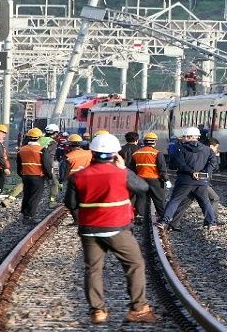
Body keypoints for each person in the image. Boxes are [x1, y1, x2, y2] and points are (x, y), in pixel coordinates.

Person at [64, 133, 158, 325]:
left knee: (93, 269)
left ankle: (97, 311)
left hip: (89, 230)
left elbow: (70, 203)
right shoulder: (121, 173)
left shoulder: (78, 177)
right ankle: (138, 308)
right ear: (116, 154)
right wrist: (124, 168)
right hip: (117, 228)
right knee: (135, 264)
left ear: (93, 153)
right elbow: (142, 188)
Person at [159, 127, 218, 230]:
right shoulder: (207, 149)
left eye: (185, 137)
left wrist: (192, 172)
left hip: (184, 181)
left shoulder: (180, 149)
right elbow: (213, 162)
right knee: (205, 202)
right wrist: (204, 173)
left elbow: (179, 164)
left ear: (190, 137)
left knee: (174, 201)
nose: (183, 139)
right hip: (201, 181)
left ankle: (164, 222)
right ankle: (211, 223)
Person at [17, 128, 53, 220]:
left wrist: (21, 174)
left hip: (25, 175)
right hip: (37, 176)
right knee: (35, 196)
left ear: (28, 137)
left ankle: (25, 213)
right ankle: (30, 216)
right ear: (39, 138)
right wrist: (49, 176)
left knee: (27, 194)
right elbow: (46, 164)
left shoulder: (22, 149)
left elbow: (19, 164)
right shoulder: (42, 150)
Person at [132, 133, 169, 220]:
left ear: (144, 142)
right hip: (154, 179)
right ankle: (162, 215)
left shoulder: (136, 153)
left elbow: (133, 168)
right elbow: (162, 168)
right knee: (159, 198)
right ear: (155, 142)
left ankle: (140, 215)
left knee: (141, 197)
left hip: (140, 179)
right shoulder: (157, 153)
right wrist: (166, 179)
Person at [40, 124, 62, 203]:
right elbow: (48, 158)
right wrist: (49, 171)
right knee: (54, 183)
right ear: (55, 133)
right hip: (46, 165)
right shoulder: (52, 142)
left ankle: (9, 198)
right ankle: (52, 202)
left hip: (36, 164)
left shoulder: (40, 139)